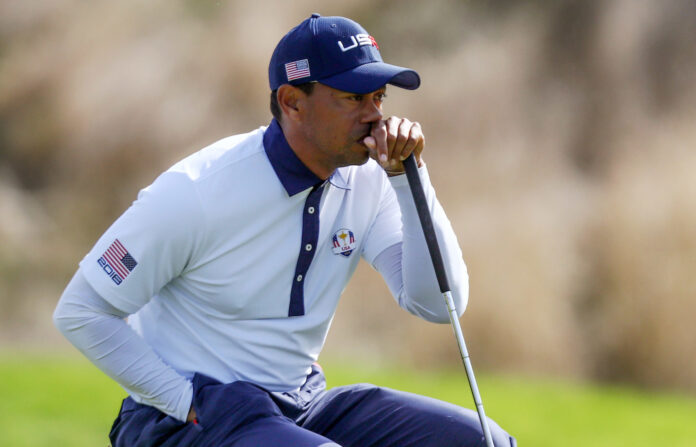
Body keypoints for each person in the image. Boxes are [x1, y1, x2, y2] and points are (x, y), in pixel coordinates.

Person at [53, 13, 515, 447]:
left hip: (300, 402)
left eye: (379, 98)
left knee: (483, 441)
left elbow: (437, 303)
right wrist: (184, 403)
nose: (375, 115)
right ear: (291, 102)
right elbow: (82, 311)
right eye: (353, 98)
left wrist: (409, 177)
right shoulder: (196, 191)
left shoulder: (371, 180)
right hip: (184, 417)